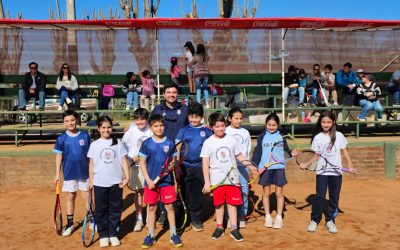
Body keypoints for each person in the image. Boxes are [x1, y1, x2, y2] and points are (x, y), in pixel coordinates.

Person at [201, 112, 257, 242]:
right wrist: (207, 182)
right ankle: (220, 227)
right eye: (217, 126)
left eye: (222, 125)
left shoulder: (232, 139)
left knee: (232, 203)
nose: (220, 128)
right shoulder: (208, 143)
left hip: (233, 179)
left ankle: (234, 228)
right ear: (211, 127)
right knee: (219, 204)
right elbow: (205, 163)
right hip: (217, 180)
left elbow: (240, 156)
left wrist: (250, 166)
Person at [299, 111, 356, 234]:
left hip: (336, 173)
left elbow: (345, 151)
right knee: (320, 197)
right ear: (320, 122)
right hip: (322, 172)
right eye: (323, 122)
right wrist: (306, 164)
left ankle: (330, 220)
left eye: (329, 122)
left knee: (334, 198)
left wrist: (350, 166)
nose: (326, 124)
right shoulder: (318, 137)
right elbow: (316, 156)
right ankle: (315, 220)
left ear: (333, 122)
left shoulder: (339, 135)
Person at [139, 114, 183, 248]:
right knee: (151, 208)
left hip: (167, 182)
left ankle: (173, 234)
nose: (159, 128)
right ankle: (151, 235)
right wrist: (148, 180)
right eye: (156, 126)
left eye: (161, 125)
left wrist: (172, 166)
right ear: (151, 128)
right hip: (151, 183)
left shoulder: (170, 143)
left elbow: (174, 161)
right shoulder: (146, 143)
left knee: (170, 207)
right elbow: (142, 164)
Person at [88, 116, 130, 247]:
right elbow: (91, 164)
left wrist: (127, 177)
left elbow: (123, 161)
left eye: (109, 127)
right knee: (101, 210)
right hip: (99, 183)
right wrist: (91, 181)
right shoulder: (94, 144)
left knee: (115, 209)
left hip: (116, 183)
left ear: (112, 128)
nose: (106, 130)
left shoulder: (118, 143)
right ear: (98, 129)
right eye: (103, 128)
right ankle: (103, 235)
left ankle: (112, 233)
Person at [151, 82, 189, 225]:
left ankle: (180, 212)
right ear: (164, 94)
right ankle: (163, 212)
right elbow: (151, 128)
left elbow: (190, 126)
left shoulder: (184, 109)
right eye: (168, 92)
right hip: (162, 153)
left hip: (180, 153)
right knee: (163, 183)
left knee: (180, 183)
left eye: (174, 92)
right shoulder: (157, 109)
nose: (171, 95)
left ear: (177, 94)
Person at [251, 113, 297, 229]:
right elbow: (257, 153)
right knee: (266, 193)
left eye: (274, 125)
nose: (271, 127)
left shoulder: (281, 136)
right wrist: (255, 167)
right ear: (266, 124)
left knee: (279, 193)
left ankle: (279, 217)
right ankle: (267, 216)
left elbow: (285, 153)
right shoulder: (262, 136)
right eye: (269, 125)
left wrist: (292, 154)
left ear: (278, 125)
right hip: (265, 168)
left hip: (278, 168)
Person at [175, 102, 212, 232]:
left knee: (197, 194)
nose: (193, 119)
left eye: (196, 117)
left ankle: (196, 219)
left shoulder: (207, 131)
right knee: (183, 193)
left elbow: (211, 149)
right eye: (191, 116)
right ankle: (182, 220)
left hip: (200, 167)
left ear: (201, 117)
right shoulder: (184, 130)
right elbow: (178, 147)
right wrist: (177, 164)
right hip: (184, 166)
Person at [53, 109, 91, 237]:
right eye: (67, 121)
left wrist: (92, 173)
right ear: (64, 123)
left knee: (87, 196)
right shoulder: (61, 138)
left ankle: (92, 219)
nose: (70, 123)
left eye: (72, 120)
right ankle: (70, 223)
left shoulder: (85, 136)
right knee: (70, 196)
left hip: (84, 172)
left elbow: (91, 156)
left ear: (77, 120)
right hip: (69, 172)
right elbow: (59, 156)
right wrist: (57, 174)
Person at [121, 108, 152, 232]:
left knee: (150, 192)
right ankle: (139, 218)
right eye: (137, 120)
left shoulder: (151, 130)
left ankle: (150, 217)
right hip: (135, 167)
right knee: (138, 192)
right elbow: (123, 148)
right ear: (134, 120)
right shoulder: (130, 131)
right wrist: (130, 157)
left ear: (147, 119)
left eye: (143, 119)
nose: (140, 122)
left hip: (149, 166)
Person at [225, 107, 251, 228]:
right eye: (236, 118)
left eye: (241, 118)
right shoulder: (225, 131)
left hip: (242, 167)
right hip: (229, 168)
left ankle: (242, 216)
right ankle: (231, 217)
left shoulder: (245, 132)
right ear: (229, 118)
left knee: (244, 192)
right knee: (230, 192)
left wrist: (248, 165)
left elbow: (247, 150)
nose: (239, 121)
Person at [189, 43, 210, 108]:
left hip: (198, 74)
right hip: (206, 74)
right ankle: (207, 103)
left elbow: (190, 64)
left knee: (198, 89)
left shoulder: (196, 56)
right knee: (205, 89)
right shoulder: (206, 56)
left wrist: (193, 66)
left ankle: (198, 103)